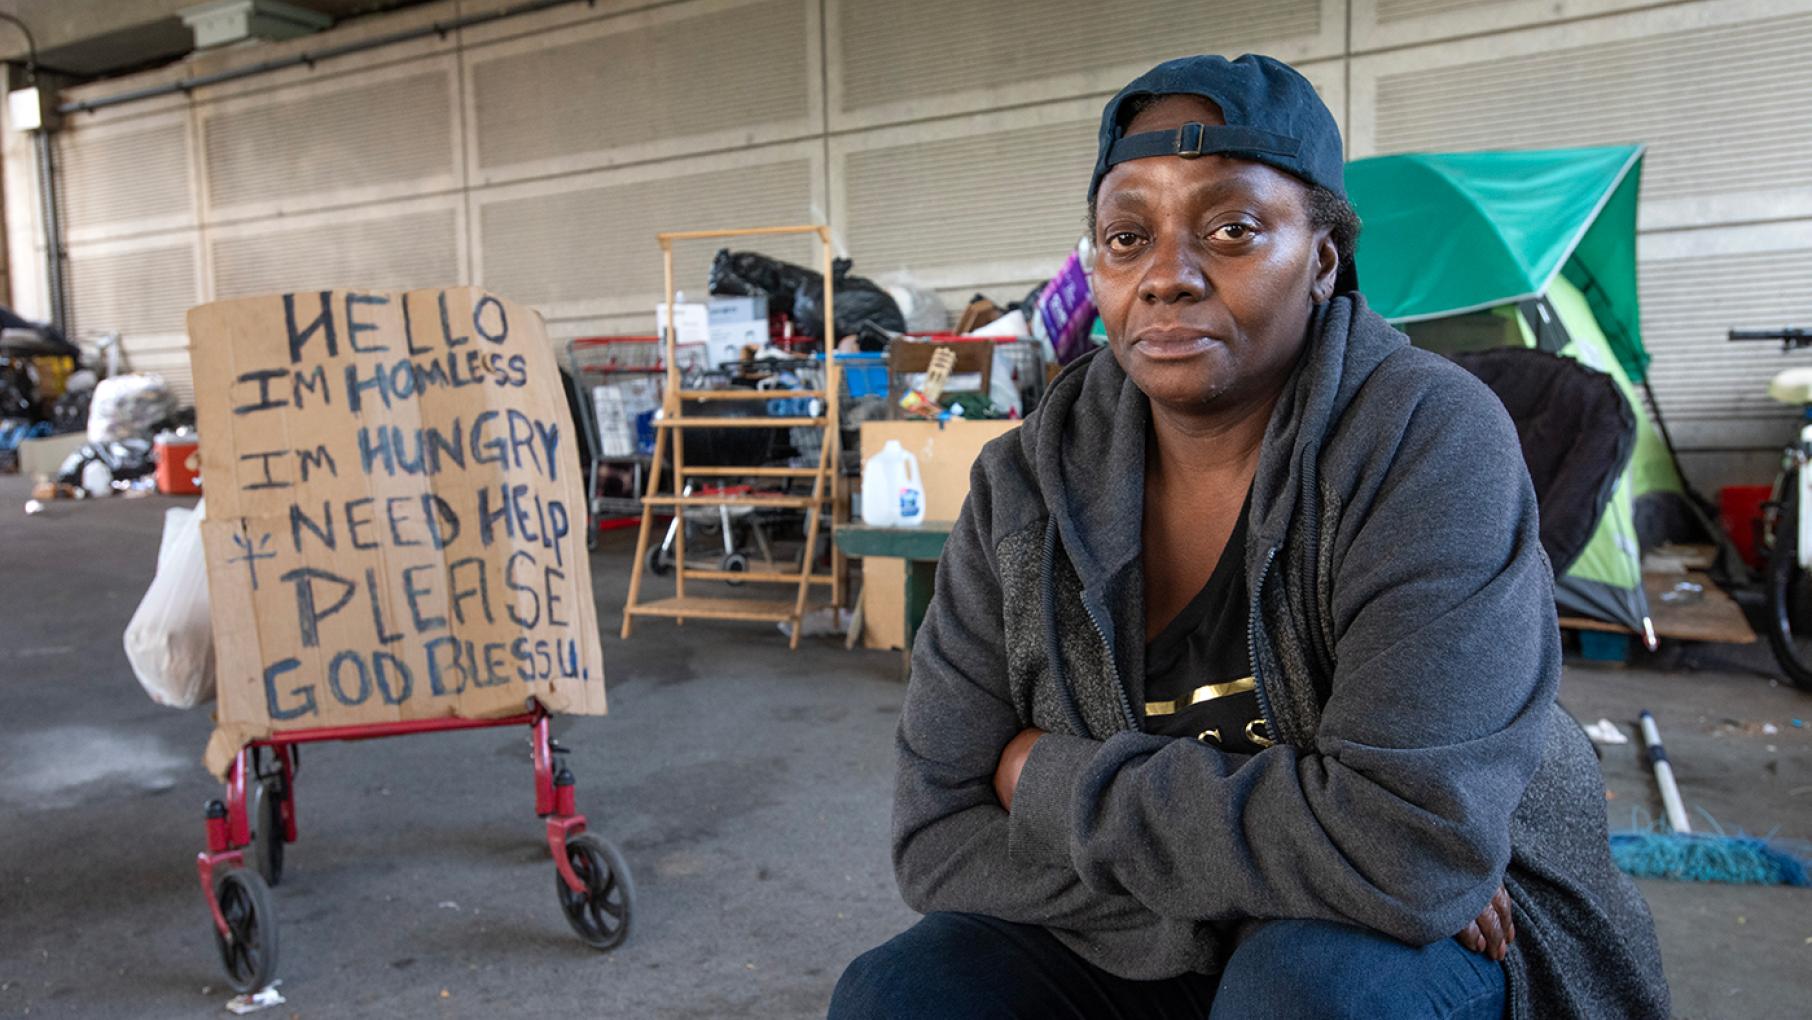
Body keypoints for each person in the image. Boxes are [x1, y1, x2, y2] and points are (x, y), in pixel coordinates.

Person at [830, 54, 1669, 1019]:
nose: (1168, 278)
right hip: (1162, 914)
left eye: (1233, 229)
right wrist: (1267, 884)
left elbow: (1412, 849)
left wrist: (1040, 776)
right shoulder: (1023, 486)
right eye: (1126, 236)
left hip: (1462, 929)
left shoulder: (1426, 441)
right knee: (900, 993)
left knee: (1302, 990)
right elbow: (937, 834)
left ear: (1321, 259)